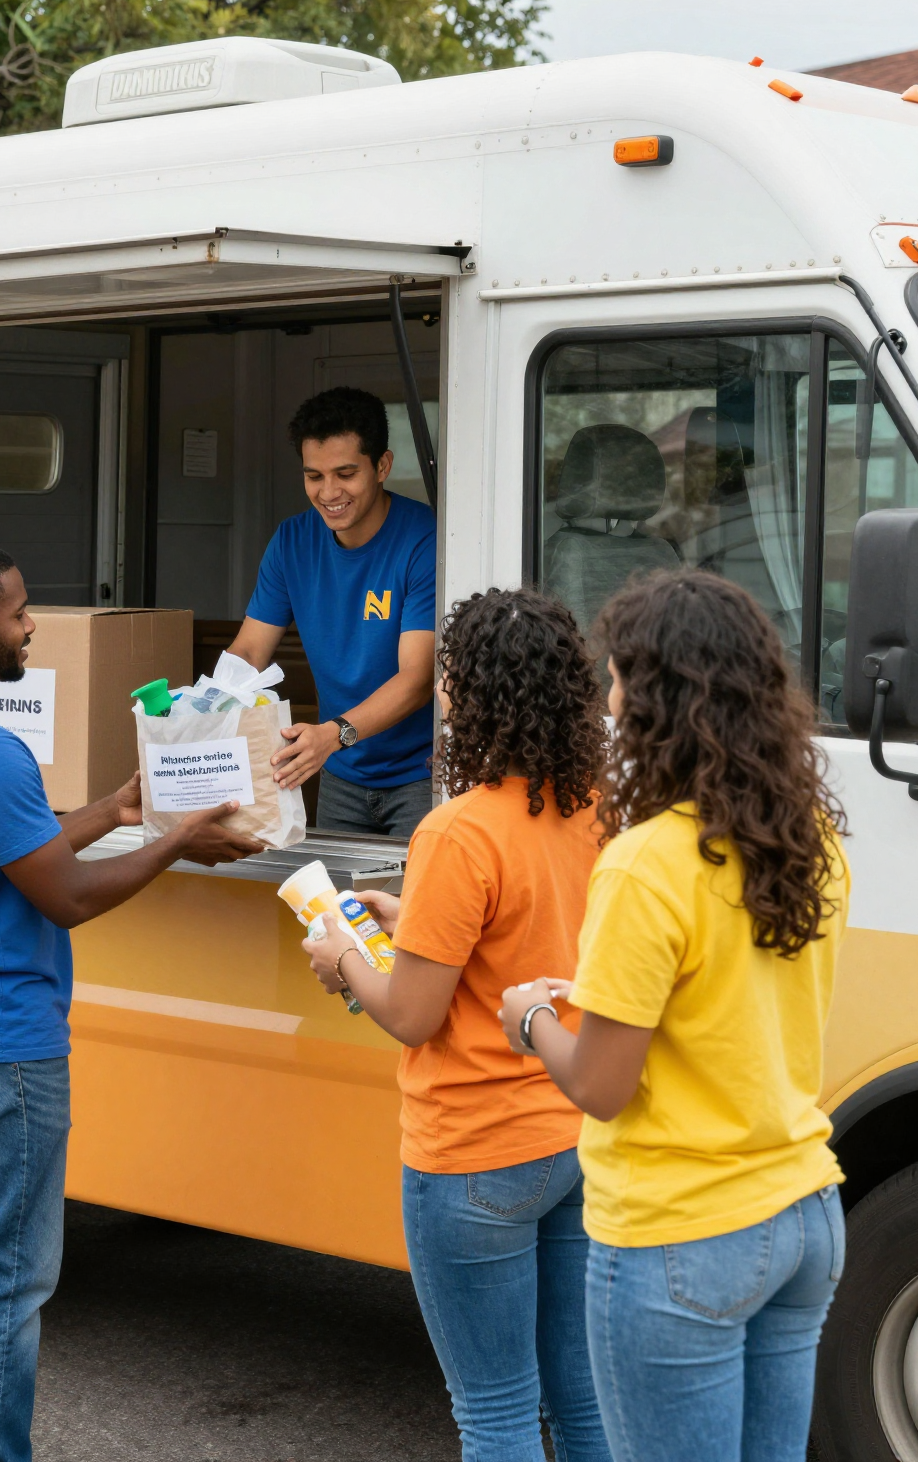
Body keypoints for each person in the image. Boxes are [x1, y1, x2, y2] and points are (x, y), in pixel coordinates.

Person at [0, 538, 263, 1462]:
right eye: (15, 613)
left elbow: (21, 845)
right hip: (2, 1047)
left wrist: (123, 808)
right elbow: (68, 895)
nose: (30, 626)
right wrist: (178, 845)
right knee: (6, 1281)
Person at [499, 570, 850, 1462]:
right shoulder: (810, 837)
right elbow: (729, 998)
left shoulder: (643, 863)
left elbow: (602, 1088)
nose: (606, 701)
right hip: (803, 1209)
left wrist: (532, 1019)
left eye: (616, 678)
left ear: (658, 701)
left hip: (681, 1233)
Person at [304, 588, 611, 1462]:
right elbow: (526, 936)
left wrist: (345, 962)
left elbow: (411, 1014)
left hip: (474, 1152)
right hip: (572, 1131)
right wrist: (416, 917)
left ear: (471, 696)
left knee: (497, 1414)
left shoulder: (459, 830)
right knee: (581, 1402)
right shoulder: (594, 807)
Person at [227, 385, 436, 838]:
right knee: (337, 908)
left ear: (382, 466)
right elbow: (247, 651)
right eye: (314, 476)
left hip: (422, 777)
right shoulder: (292, 542)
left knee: (413, 908)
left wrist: (333, 735)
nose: (329, 492)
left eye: (345, 473)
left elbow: (417, 680)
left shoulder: (426, 539)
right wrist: (201, 715)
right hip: (341, 774)